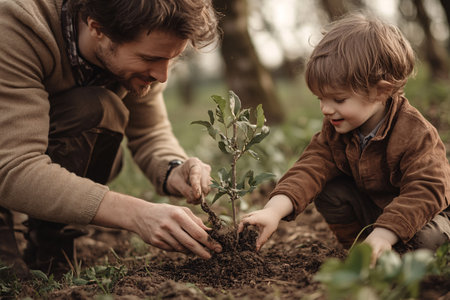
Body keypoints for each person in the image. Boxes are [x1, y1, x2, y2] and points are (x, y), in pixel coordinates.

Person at [0, 0, 223, 276]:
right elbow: (13, 167)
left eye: (171, 59)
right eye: (150, 59)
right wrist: (135, 214)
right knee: (7, 279)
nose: (162, 76)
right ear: (97, 28)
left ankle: (50, 238)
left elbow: (150, 132)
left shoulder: (138, 49)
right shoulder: (18, 24)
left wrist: (174, 168)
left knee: (97, 109)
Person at [239, 13, 450, 266]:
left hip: (425, 214)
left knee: (426, 241)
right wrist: (272, 211)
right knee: (330, 190)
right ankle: (361, 252)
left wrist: (385, 233)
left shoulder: (416, 133)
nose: (326, 109)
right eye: (320, 99)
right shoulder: (336, 130)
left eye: (338, 100)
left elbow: (426, 191)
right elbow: (309, 168)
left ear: (382, 91)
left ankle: (390, 249)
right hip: (378, 212)